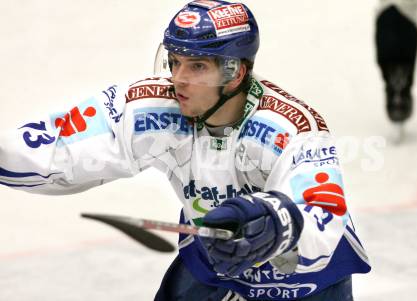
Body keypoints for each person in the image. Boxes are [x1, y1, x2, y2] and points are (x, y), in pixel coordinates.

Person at [0, 1, 371, 300]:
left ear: (235, 73)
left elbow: (321, 208)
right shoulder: (151, 108)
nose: (178, 78)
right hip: (212, 265)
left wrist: (274, 222)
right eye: (175, 61)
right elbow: (57, 147)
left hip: (302, 282)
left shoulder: (289, 127)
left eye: (196, 66)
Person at [375, 0, 417, 126]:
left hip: (392, 16)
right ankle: (398, 88)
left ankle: (398, 87)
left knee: (395, 60)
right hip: (402, 17)